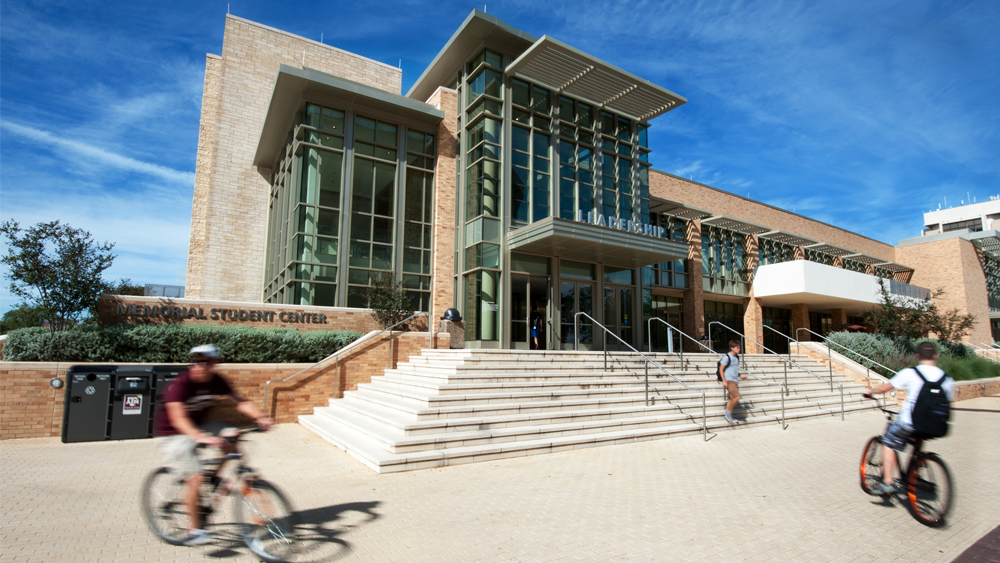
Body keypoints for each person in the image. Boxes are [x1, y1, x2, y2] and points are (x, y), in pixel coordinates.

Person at [153, 344, 274, 546]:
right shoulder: (179, 384)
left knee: (233, 435)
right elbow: (179, 418)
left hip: (200, 425)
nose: (200, 365)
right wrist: (202, 438)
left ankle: (215, 476)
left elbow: (240, 402)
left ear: (215, 363)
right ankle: (195, 530)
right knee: (196, 478)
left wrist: (261, 417)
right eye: (196, 361)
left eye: (205, 361)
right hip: (172, 433)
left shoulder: (217, 380)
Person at [862, 341, 954, 495]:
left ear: (917, 356)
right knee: (918, 439)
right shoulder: (947, 379)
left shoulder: (910, 373)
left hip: (909, 422)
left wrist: (870, 392)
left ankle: (888, 482)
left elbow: (885, 388)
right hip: (936, 424)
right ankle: (914, 472)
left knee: (888, 442)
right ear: (936, 356)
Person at [718, 339, 747, 424]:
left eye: (739, 348)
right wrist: (724, 381)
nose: (739, 349)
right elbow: (721, 369)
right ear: (732, 348)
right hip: (729, 380)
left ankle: (728, 416)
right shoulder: (727, 357)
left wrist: (740, 376)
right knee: (737, 397)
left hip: (735, 380)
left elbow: (733, 369)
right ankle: (728, 414)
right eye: (737, 348)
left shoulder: (737, 357)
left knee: (731, 398)